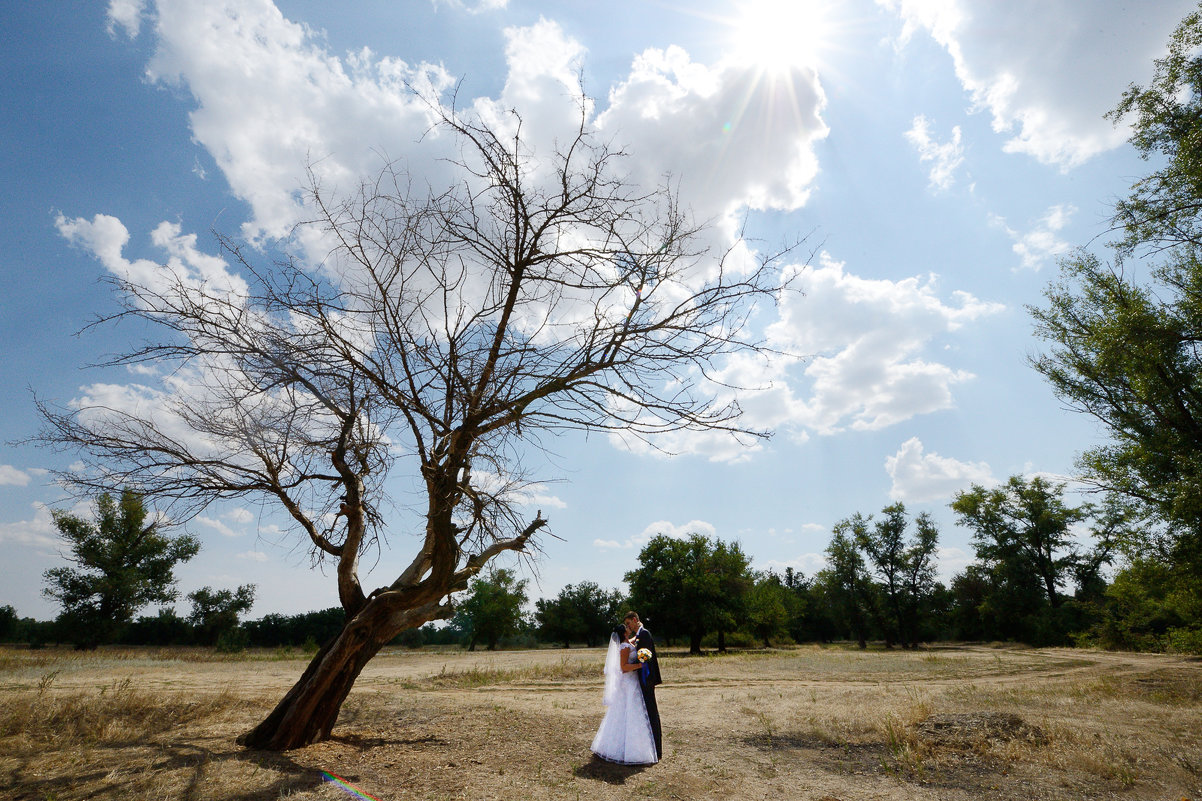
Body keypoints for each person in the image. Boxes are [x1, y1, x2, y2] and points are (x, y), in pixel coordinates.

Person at [590, 623, 658, 765]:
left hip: (632, 681)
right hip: (629, 682)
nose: (629, 627)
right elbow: (624, 667)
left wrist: (639, 632)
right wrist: (640, 665)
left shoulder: (628, 642)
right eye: (626, 627)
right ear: (624, 633)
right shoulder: (624, 647)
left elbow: (634, 639)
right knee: (630, 711)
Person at [624, 611, 662, 759]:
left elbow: (645, 659)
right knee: (648, 713)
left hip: (648, 679)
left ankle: (657, 750)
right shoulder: (640, 634)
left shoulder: (644, 634)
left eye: (629, 623)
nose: (628, 626)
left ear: (635, 620)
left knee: (652, 713)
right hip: (643, 678)